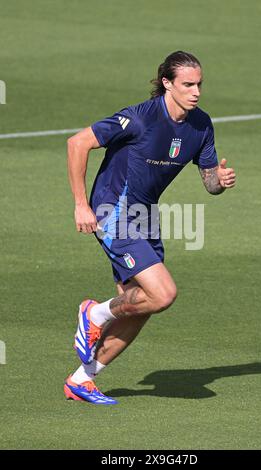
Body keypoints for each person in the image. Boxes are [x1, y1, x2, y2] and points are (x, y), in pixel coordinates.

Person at [65, 51, 236, 405]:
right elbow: (77, 143)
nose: (196, 91)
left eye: (199, 83)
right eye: (188, 84)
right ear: (167, 83)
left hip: (146, 216)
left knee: (141, 306)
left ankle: (82, 379)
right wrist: (81, 205)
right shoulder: (139, 119)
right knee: (163, 294)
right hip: (112, 211)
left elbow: (210, 185)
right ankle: (94, 312)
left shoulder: (201, 125)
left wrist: (220, 180)